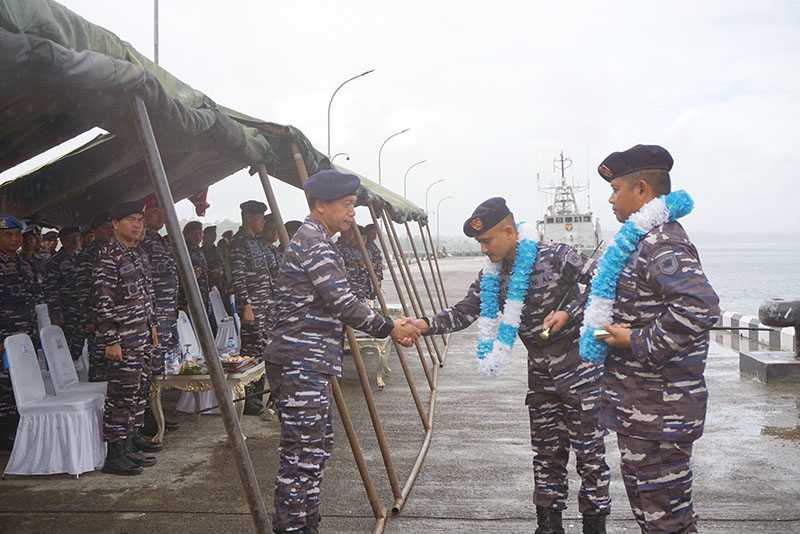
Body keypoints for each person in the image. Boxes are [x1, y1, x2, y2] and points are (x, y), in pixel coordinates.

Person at [408, 197, 611, 534]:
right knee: (546, 456)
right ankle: (548, 527)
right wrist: (423, 325)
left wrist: (568, 312)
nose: (484, 249)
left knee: (590, 457)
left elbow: (604, 283)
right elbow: (464, 311)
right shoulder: (493, 274)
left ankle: (595, 527)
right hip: (542, 380)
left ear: (509, 231)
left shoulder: (557, 256)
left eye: (487, 240)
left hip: (581, 375)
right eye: (479, 243)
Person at [265, 169, 420, 534]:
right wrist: (391, 326)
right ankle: (292, 527)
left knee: (315, 451)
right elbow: (345, 304)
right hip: (299, 363)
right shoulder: (313, 244)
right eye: (347, 205)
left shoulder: (319, 241)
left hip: (309, 362)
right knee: (302, 456)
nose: (353, 213)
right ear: (321, 205)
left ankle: (307, 523)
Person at [592, 145, 720, 534]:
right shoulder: (638, 241)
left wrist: (636, 340)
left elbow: (699, 307)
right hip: (642, 410)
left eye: (615, 189)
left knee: (667, 520)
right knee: (656, 516)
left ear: (642, 190)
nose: (611, 198)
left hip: (662, 413)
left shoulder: (661, 242)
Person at [92, 201, 159, 476]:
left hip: (141, 334)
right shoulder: (108, 256)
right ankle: (115, 454)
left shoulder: (138, 253)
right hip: (122, 338)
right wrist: (111, 340)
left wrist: (152, 326)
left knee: (138, 391)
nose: (137, 224)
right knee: (120, 396)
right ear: (115, 224)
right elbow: (103, 301)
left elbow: (147, 294)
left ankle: (130, 444)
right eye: (131, 219)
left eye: (140, 220)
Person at [140, 198, 180, 435]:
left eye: (162, 212)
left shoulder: (157, 240)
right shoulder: (144, 241)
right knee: (150, 366)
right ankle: (147, 418)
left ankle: (155, 415)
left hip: (165, 313)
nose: (160, 216)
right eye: (155, 211)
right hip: (154, 314)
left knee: (157, 366)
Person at [230, 200, 273, 415]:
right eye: (260, 218)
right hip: (253, 307)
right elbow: (238, 277)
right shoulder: (239, 243)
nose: (263, 222)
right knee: (251, 351)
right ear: (250, 218)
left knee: (262, 351)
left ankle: (256, 397)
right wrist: (246, 305)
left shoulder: (256, 242)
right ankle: (248, 400)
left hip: (264, 306)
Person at [0, 215, 38, 450]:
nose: (14, 239)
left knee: (21, 382)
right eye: (7, 235)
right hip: (4, 336)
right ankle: (6, 433)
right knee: (4, 385)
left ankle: (20, 429)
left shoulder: (25, 264)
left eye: (17, 235)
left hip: (25, 335)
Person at [75, 212, 114, 382]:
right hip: (96, 319)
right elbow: (83, 290)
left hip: (114, 319)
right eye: (105, 228)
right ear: (95, 231)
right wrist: (88, 320)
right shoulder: (88, 255)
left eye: (111, 228)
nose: (110, 231)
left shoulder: (115, 251)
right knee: (99, 362)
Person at [44, 226, 84, 360]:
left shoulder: (82, 258)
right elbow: (51, 290)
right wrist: (56, 314)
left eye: (76, 238)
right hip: (66, 311)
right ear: (63, 240)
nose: (74, 241)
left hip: (82, 310)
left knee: (81, 343)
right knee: (67, 345)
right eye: (70, 239)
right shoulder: (54, 262)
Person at [179, 221, 212, 329]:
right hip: (189, 299)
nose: (198, 237)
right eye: (195, 234)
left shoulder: (199, 251)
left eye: (200, 233)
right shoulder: (182, 251)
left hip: (203, 296)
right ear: (187, 234)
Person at [335, 225, 373, 302]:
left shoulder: (355, 249)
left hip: (360, 290)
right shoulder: (338, 249)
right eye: (350, 233)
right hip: (350, 291)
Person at [202, 225, 227, 299]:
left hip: (220, 285)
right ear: (205, 236)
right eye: (211, 234)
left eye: (215, 234)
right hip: (207, 286)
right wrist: (211, 273)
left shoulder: (217, 250)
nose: (214, 236)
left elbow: (223, 266)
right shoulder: (201, 252)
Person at [363, 223, 384, 298]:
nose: (375, 236)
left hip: (375, 277)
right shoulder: (362, 246)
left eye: (376, 234)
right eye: (372, 233)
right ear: (367, 233)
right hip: (366, 281)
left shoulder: (372, 245)